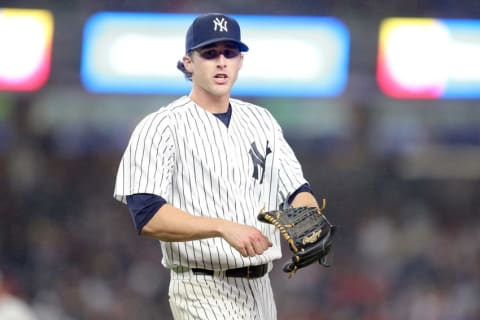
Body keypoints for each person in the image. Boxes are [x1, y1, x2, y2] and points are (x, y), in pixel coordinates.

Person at [114, 13, 322, 320]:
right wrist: (222, 227)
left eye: (230, 53)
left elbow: (296, 189)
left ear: (240, 61)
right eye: (209, 54)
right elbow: (146, 215)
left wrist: (308, 219)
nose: (221, 62)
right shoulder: (161, 126)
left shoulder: (261, 120)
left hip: (262, 288)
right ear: (188, 62)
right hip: (202, 285)